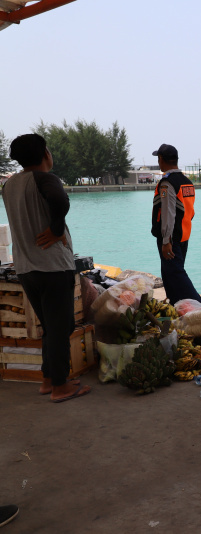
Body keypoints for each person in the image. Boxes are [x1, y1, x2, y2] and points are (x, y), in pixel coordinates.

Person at [4, 134, 90, 402]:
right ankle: (60, 387)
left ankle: (48, 379)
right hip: (52, 267)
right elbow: (61, 202)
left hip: (26, 268)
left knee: (50, 327)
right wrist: (55, 229)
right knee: (61, 328)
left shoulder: (9, 185)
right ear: (45, 154)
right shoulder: (46, 179)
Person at [151, 144, 201, 305]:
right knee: (169, 275)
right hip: (183, 235)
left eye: (158, 159)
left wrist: (167, 240)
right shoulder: (187, 182)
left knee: (176, 275)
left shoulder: (168, 183)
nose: (158, 162)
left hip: (171, 239)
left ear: (161, 159)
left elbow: (168, 213)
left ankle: (200, 307)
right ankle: (177, 306)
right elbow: (191, 212)